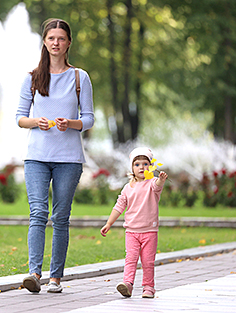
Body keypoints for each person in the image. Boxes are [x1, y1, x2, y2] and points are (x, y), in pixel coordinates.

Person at [16, 18, 94, 294]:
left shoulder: (79, 77)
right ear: (45, 42)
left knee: (60, 217)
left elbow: (89, 118)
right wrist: (39, 121)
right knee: (38, 213)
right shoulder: (33, 78)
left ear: (69, 43)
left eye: (61, 38)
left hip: (69, 159)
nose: (56, 43)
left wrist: (69, 123)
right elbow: (20, 118)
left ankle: (56, 277)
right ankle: (34, 273)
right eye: (51, 38)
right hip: (37, 155)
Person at [100, 147, 168, 299]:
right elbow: (119, 207)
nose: (141, 167)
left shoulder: (152, 184)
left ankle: (149, 287)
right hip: (131, 231)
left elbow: (157, 186)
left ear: (150, 166)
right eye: (137, 164)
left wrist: (161, 180)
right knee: (130, 258)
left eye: (145, 164)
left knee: (147, 261)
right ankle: (128, 284)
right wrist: (109, 223)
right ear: (132, 167)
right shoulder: (127, 188)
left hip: (149, 231)